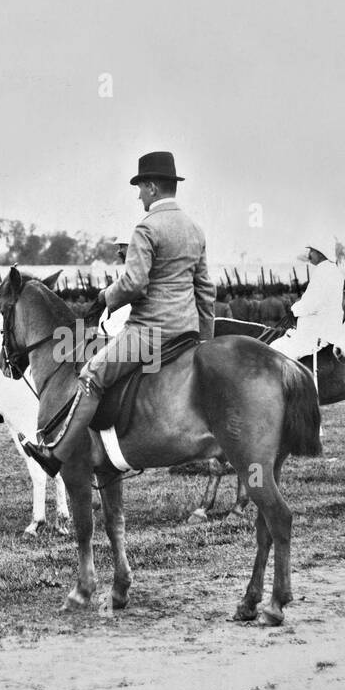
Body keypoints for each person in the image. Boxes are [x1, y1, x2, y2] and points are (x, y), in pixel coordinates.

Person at [22, 150, 215, 477]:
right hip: (187, 333)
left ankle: (58, 453)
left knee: (92, 375)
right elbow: (206, 291)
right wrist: (205, 343)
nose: (138, 194)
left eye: (140, 187)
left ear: (152, 187)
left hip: (149, 332)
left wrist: (104, 296)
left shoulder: (146, 228)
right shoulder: (195, 229)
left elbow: (135, 283)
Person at [270, 243, 344, 361]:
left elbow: (313, 304)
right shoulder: (332, 270)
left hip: (316, 332)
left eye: (311, 251)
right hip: (327, 328)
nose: (309, 254)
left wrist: (294, 310)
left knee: (274, 350)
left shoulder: (323, 271)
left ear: (320, 253)